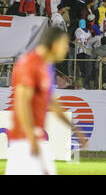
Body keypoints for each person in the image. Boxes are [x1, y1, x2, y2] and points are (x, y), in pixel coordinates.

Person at [6, 27, 86, 175]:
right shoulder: (29, 64)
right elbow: (22, 103)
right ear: (55, 44)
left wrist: (75, 129)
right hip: (24, 141)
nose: (66, 48)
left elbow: (51, 103)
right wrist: (31, 137)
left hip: (36, 139)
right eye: (65, 44)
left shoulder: (47, 67)